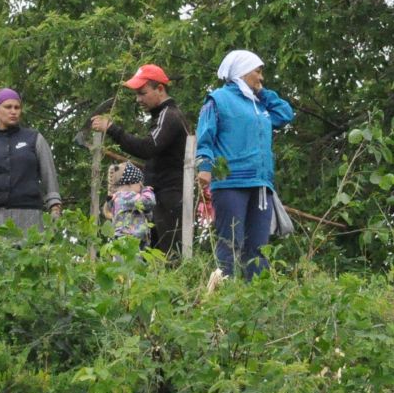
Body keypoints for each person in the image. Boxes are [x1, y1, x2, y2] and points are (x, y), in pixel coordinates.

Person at [194, 50, 293, 283]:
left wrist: (262, 93)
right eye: (257, 71)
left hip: (261, 184)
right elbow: (205, 136)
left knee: (259, 248)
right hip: (231, 182)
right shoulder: (218, 99)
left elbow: (285, 114)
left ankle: (256, 300)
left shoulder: (259, 104)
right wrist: (205, 167)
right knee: (230, 242)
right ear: (241, 71)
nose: (261, 77)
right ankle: (224, 294)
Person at [89, 63, 189, 256]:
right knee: (152, 255)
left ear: (160, 89)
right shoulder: (162, 116)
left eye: (142, 93)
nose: (138, 99)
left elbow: (147, 148)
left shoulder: (169, 115)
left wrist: (112, 129)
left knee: (169, 255)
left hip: (169, 197)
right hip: (158, 196)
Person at [0, 88, 62, 231]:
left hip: (29, 216)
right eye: (8, 107)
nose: (13, 111)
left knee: (29, 252)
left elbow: (49, 175)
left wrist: (55, 206)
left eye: (17, 107)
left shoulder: (34, 138)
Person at [105, 161, 156, 241]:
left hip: (124, 243)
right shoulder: (126, 197)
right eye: (140, 184)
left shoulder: (119, 198)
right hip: (129, 243)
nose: (141, 188)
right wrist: (147, 190)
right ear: (130, 183)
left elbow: (147, 214)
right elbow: (149, 201)